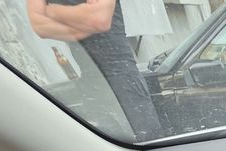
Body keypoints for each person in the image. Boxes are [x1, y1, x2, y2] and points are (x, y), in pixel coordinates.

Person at [27, 0, 164, 141]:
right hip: (90, 85)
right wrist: (81, 24)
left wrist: (52, 11)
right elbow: (39, 26)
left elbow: (99, 19)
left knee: (147, 143)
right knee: (100, 148)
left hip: (124, 81)